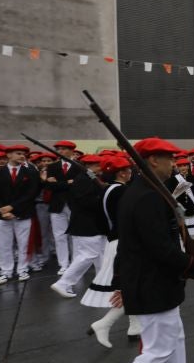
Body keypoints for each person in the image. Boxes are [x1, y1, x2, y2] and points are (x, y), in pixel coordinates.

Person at [75, 137, 194, 363]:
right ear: (152, 160)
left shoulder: (139, 192)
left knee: (173, 340)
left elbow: (128, 244)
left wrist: (122, 283)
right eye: (169, 158)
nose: (174, 163)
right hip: (154, 285)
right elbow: (161, 248)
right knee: (156, 352)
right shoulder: (148, 197)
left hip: (151, 283)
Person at [81, 155, 142, 348]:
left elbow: (101, 221)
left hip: (113, 241)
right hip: (125, 242)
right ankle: (104, 323)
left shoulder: (106, 191)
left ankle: (135, 326)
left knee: (131, 285)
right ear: (122, 173)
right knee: (134, 284)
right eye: (128, 170)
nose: (130, 173)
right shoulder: (123, 191)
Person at [50, 155, 108, 298]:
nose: (101, 168)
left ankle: (103, 283)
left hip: (91, 224)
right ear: (90, 166)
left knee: (99, 254)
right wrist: (104, 199)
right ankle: (63, 283)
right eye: (98, 165)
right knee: (88, 255)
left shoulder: (88, 177)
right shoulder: (83, 179)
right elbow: (85, 201)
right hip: (86, 224)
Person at [0, 144, 39, 285]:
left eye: (23, 154)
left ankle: (22, 269)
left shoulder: (31, 172)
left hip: (23, 213)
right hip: (2, 215)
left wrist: (12, 207)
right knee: (4, 244)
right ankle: (6, 271)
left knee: (23, 244)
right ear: (9, 155)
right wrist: (1, 209)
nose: (22, 156)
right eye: (18, 153)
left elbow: (31, 193)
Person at [45, 141, 78, 275]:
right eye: (59, 149)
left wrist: (58, 183)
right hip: (57, 205)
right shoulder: (52, 166)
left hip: (74, 204)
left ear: (71, 151)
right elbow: (49, 186)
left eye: (64, 149)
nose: (60, 151)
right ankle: (63, 264)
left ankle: (76, 262)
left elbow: (79, 185)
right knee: (59, 236)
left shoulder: (79, 165)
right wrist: (67, 183)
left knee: (75, 235)